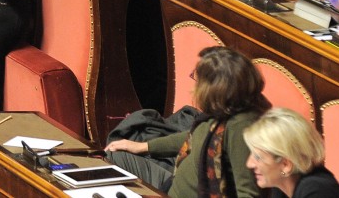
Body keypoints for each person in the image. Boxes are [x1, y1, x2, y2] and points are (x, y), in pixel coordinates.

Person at [103, 46, 266, 198]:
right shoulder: (225, 112)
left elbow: (248, 192)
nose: (194, 88)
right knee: (113, 156)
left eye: (197, 80)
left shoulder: (240, 128)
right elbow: (193, 136)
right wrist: (143, 147)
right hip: (170, 185)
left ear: (215, 89)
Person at [243, 108, 339, 198]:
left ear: (285, 165)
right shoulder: (282, 185)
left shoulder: (317, 191)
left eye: (258, 157)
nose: (249, 163)